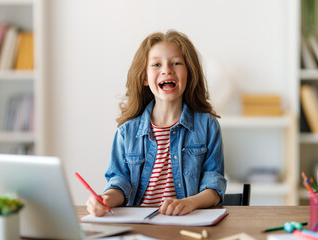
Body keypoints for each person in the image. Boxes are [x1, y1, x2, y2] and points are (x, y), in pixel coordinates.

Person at [86, 30, 226, 217]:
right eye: (156, 64)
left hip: (186, 223)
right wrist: (106, 198)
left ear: (189, 74)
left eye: (176, 63)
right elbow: (119, 182)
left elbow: (214, 186)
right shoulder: (126, 132)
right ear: (144, 78)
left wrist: (189, 203)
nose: (167, 69)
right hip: (139, 225)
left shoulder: (207, 126)